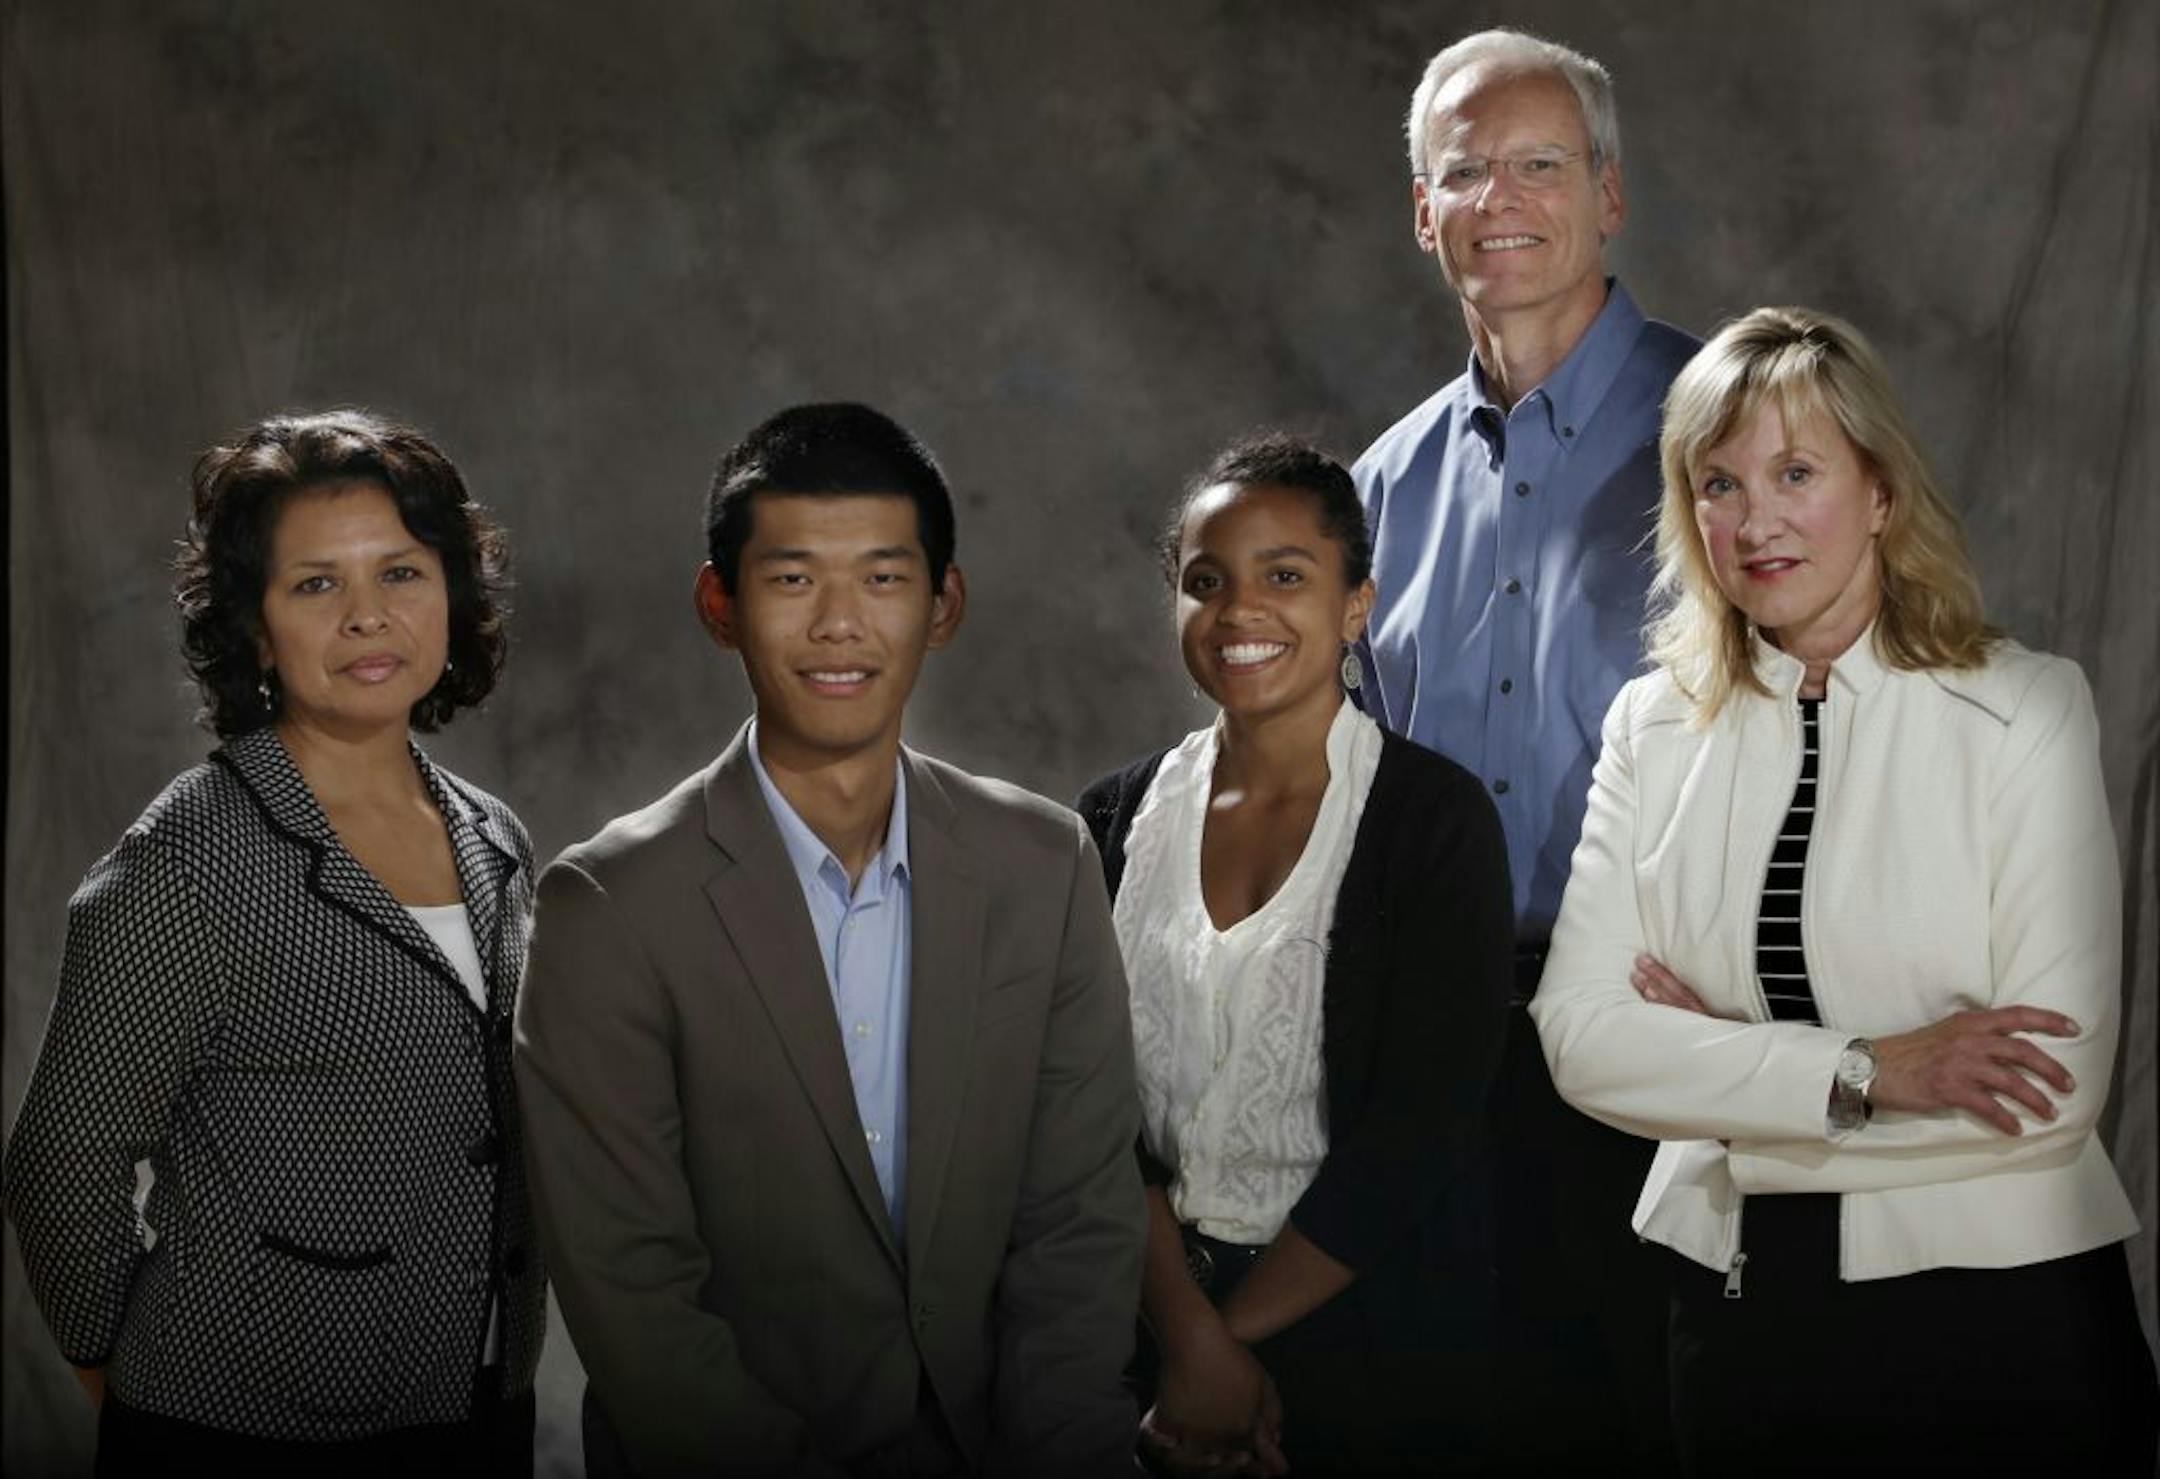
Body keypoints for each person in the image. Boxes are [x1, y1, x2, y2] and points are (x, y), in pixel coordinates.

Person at [1530, 307, 2160, 1475]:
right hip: (1741, 1320)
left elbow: (2051, 1089)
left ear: (1879, 492)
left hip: (2007, 1322)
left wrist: (1725, 1088)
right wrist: (1871, 1071)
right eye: (1717, 483)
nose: (1755, 517)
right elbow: (1579, 1040)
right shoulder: (1651, 727)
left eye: (1796, 471)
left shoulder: (2026, 710)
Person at [514, 402, 1146, 1479]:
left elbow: (1077, 1227)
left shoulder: (1044, 864)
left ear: (943, 604)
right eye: (793, 579)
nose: (840, 624)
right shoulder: (608, 906)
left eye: (885, 579)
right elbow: (637, 1302)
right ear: (721, 603)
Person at [3, 411, 544, 1475]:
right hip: (242, 1424)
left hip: (477, 1399)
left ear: (453, 595)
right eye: (314, 586)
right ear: (253, 628)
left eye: (400, 572)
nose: (366, 618)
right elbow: (61, 1160)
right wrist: (123, 1381)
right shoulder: (186, 860)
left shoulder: (495, 835)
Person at [1350, 27, 1698, 1467]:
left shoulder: (1733, 432)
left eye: (1541, 163)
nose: (1502, 198)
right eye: (1464, 170)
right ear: (1421, 212)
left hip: (1671, 1041)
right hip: (1435, 1057)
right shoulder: (1377, 485)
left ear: (1609, 196)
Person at [1077, 436, 1513, 1477]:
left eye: (1285, 576)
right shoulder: (1108, 820)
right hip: (1137, 1334)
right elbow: (1081, 1106)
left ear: (1357, 603)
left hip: (1377, 1345)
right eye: (1205, 582)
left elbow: (1421, 1128)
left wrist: (1228, 1350)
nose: (1240, 612)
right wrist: (1187, 1339)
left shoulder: (1433, 820)